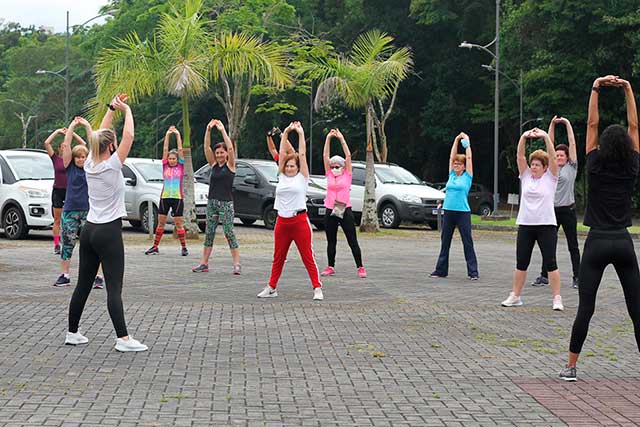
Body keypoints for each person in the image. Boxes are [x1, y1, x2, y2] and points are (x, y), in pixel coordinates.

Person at [560, 75, 640, 381]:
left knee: (586, 309)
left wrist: (595, 86)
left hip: (595, 242)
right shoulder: (632, 165)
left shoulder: (593, 164)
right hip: (622, 241)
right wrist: (628, 89)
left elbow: (592, 126)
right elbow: (635, 127)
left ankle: (570, 367)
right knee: (636, 310)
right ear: (628, 146)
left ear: (602, 145)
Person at [65, 94, 147, 352]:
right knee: (114, 287)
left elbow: (100, 134)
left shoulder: (89, 162)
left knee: (83, 284)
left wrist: (112, 108)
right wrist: (128, 110)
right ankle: (123, 339)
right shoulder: (112, 164)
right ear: (110, 147)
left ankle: (72, 332)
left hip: (88, 231)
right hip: (108, 232)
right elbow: (129, 137)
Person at [257, 121, 324, 300]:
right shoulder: (282, 176)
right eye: (287, 166)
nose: (289, 168)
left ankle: (317, 287)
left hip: (299, 221)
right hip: (282, 221)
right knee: (278, 257)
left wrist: (300, 133)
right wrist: (285, 133)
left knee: (307, 256)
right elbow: (280, 152)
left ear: (298, 167)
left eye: (292, 166)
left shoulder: (303, 177)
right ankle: (271, 287)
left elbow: (301, 153)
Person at [501, 127, 564, 311]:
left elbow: (553, 158)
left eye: (537, 165)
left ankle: (557, 298)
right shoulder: (526, 176)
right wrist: (523, 136)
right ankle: (515, 295)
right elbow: (520, 156)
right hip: (526, 224)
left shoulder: (551, 178)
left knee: (551, 262)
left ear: (544, 167)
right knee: (521, 262)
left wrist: (545, 136)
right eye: (532, 164)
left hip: (546, 225)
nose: (534, 167)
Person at [531, 117, 581, 289]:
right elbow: (548, 145)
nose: (559, 157)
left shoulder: (571, 168)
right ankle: (544, 276)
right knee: (548, 245)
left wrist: (567, 124)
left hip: (568, 211)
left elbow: (572, 145)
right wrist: (551, 125)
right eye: (557, 155)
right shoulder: (550, 169)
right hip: (551, 211)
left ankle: (577, 277)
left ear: (567, 157)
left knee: (572, 245)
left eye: (562, 155)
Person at [53, 120, 104, 289]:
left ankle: (98, 277)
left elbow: (93, 145)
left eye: (83, 157)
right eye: (78, 157)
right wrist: (73, 127)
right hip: (70, 211)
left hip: (89, 212)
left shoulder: (91, 167)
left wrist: (88, 127)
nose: (81, 159)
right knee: (67, 243)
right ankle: (65, 275)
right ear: (73, 158)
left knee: (94, 245)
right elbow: (66, 146)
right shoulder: (69, 167)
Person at [192, 119, 241, 274]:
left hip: (226, 203)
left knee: (229, 232)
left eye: (222, 152)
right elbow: (206, 147)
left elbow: (232, 148)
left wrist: (221, 130)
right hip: (212, 202)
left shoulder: (231, 166)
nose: (219, 155)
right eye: (217, 152)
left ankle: (237, 264)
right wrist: (208, 130)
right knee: (209, 232)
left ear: (226, 153)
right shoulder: (213, 165)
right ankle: (204, 263)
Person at [429, 132, 479, 280]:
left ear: (464, 167)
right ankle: (441, 270)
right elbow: (451, 157)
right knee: (445, 241)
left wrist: (467, 143)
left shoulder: (467, 177)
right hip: (449, 211)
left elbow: (469, 158)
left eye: (459, 164)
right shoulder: (451, 175)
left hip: (463, 212)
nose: (456, 165)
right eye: (455, 164)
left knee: (467, 242)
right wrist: (456, 140)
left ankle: (473, 272)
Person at [319, 128, 366, 278]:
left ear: (343, 167)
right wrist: (328, 139)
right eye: (332, 166)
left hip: (345, 209)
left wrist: (341, 138)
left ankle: (360, 267)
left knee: (352, 239)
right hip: (330, 209)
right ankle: (330, 266)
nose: (334, 168)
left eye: (337, 166)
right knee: (331, 240)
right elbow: (325, 156)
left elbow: (348, 155)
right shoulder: (329, 175)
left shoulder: (347, 175)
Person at [145, 126, 188, 256]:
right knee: (161, 223)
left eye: (174, 158)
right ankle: (155, 246)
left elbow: (180, 150)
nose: (172, 160)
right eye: (170, 158)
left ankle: (184, 247)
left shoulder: (180, 166)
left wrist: (178, 135)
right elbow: (165, 149)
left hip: (177, 198)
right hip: (165, 197)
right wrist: (168, 135)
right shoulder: (165, 166)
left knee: (179, 224)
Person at [44, 128, 85, 255]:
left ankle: (74, 241)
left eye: (66, 146)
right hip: (58, 190)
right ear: (59, 148)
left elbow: (83, 144)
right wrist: (57, 132)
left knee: (69, 218)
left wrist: (71, 133)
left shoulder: (72, 161)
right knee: (57, 219)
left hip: (70, 191)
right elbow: (47, 143)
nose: (64, 148)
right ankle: (57, 244)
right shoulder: (55, 158)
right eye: (62, 146)